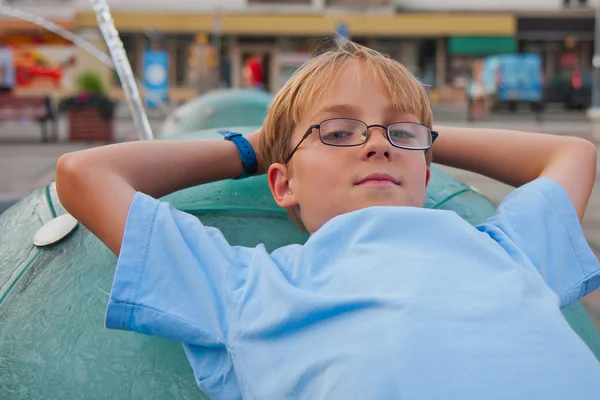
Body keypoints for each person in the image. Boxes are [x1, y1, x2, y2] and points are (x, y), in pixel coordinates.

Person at [55, 42, 600, 400]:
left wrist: (423, 135)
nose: (376, 146)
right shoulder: (248, 288)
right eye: (337, 133)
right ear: (282, 184)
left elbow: (573, 153)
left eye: (398, 134)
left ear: (426, 174)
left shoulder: (507, 251)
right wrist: (257, 144)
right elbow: (84, 173)